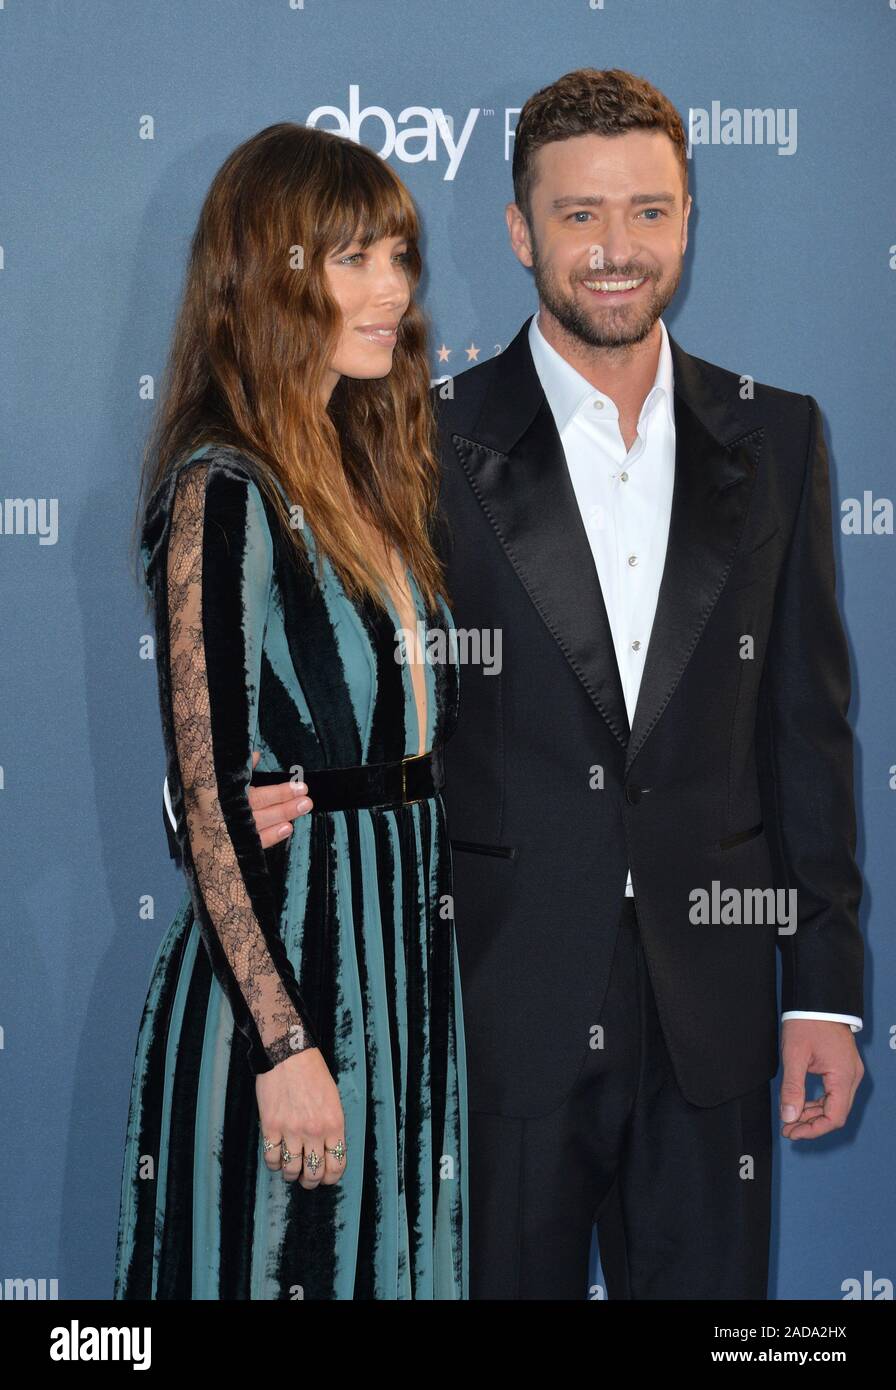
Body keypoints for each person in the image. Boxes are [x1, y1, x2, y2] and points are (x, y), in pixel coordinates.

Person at [227, 69, 865, 1300]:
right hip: (490, 1011)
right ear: (520, 233)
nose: (615, 250)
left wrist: (823, 998)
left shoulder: (775, 435)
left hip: (714, 1019)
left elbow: (807, 734)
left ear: (687, 218)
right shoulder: (416, 437)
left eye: (646, 211)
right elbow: (324, 679)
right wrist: (212, 798)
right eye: (578, 216)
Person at [115, 122, 467, 1300]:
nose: (393, 290)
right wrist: (283, 1043)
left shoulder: (367, 464)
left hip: (401, 959)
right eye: (354, 259)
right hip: (298, 974)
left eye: (397, 257)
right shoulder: (225, 487)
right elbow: (208, 788)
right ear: (273, 275)